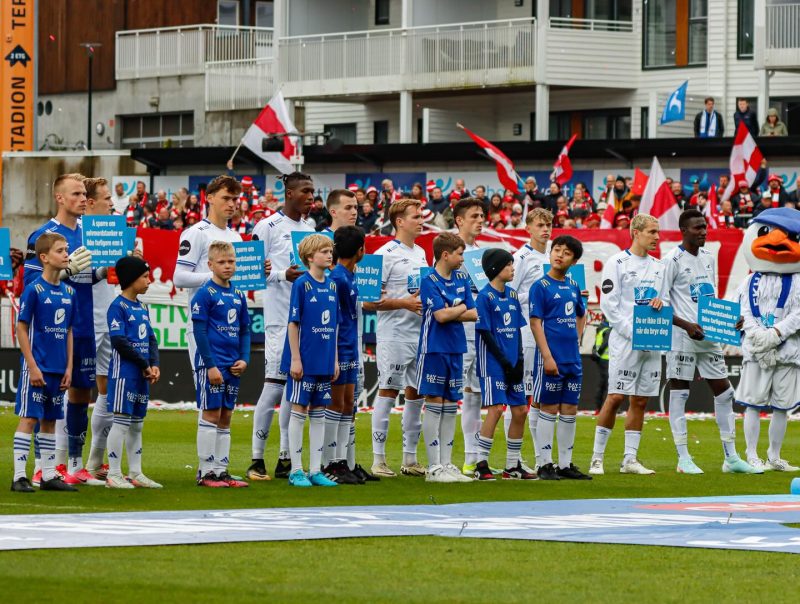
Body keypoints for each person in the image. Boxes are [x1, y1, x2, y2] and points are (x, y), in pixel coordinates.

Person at [661, 210, 759, 474]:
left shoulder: (707, 257)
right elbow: (660, 304)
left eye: (705, 227)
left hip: (708, 337)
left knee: (725, 392)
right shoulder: (671, 260)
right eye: (698, 228)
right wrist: (686, 325)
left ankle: (731, 458)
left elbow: (710, 300)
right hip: (682, 337)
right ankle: (683, 458)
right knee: (680, 394)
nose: (704, 232)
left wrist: (727, 321)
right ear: (683, 230)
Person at [23, 173, 95, 486]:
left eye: (84, 194)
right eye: (76, 194)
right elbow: (30, 286)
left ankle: (76, 466)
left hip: (85, 323)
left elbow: (90, 277)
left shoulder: (91, 234)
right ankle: (43, 467)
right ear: (60, 198)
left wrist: (114, 269)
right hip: (51, 332)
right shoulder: (42, 235)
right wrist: (66, 273)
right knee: (48, 398)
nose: (83, 199)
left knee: (82, 393)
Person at [248, 172, 314, 481]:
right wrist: (280, 276)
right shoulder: (267, 226)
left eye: (313, 191)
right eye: (305, 191)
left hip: (304, 322)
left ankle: (286, 456)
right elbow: (250, 272)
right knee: (273, 387)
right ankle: (256, 458)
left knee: (294, 389)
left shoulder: (310, 229)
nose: (311, 196)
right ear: (289, 193)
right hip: (277, 319)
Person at [590, 214, 666, 476]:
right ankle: (597, 458)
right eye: (652, 232)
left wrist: (661, 304)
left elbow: (664, 300)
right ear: (636, 232)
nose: (657, 237)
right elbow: (609, 306)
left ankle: (629, 460)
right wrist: (632, 332)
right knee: (616, 397)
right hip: (625, 342)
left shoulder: (660, 266)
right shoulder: (617, 262)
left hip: (652, 341)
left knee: (641, 400)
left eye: (657, 232)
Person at [363, 198, 426, 477]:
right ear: (399, 221)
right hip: (394, 335)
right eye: (415, 216)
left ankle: (410, 460)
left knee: (417, 395)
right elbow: (367, 302)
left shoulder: (423, 253)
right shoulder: (383, 254)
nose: (421, 220)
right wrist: (404, 304)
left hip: (420, 334)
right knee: (388, 393)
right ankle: (378, 460)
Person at [11, 233, 77, 492]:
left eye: (66, 250)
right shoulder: (34, 290)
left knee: (50, 421)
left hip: (59, 369)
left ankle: (48, 475)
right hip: (37, 368)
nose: (66, 255)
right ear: (44, 257)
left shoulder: (69, 292)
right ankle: (19, 477)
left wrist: (69, 367)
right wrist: (32, 365)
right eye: (60, 251)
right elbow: (21, 328)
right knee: (29, 418)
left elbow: (69, 331)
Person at [530, 235, 591, 481]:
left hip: (572, 359)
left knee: (570, 409)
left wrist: (577, 340)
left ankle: (565, 465)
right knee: (549, 407)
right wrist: (547, 356)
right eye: (557, 249)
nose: (559, 254)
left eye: (566, 253)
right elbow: (535, 323)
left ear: (573, 261)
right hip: (551, 358)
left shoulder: (574, 286)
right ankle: (545, 464)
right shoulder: (540, 286)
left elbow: (581, 314)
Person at [417, 232, 476, 483]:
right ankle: (433, 467)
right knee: (435, 402)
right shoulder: (429, 280)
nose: (463, 258)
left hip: (456, 346)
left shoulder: (462, 278)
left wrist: (455, 309)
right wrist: (460, 307)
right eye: (460, 254)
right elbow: (440, 317)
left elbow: (474, 313)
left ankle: (447, 464)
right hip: (434, 348)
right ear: (445, 254)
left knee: (451, 403)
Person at [282, 234, 340, 488]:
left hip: (324, 360)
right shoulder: (302, 284)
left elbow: (335, 326)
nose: (329, 255)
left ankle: (316, 469)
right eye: (324, 251)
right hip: (303, 361)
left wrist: (335, 359)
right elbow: (293, 324)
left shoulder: (332, 285)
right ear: (309, 257)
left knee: (319, 413)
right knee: (299, 411)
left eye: (330, 251)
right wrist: (295, 358)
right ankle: (296, 470)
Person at [191, 242, 251, 488]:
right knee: (211, 414)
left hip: (232, 366)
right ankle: (205, 473)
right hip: (212, 366)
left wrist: (245, 358)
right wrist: (211, 365)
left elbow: (245, 329)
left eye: (231, 262)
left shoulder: (238, 295)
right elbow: (200, 332)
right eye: (222, 262)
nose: (228, 266)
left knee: (226, 416)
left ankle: (221, 471)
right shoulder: (205, 294)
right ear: (210, 265)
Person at [473, 249, 535, 481]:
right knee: (497, 409)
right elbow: (486, 334)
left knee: (520, 410)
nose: (512, 268)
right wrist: (503, 361)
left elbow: (518, 330)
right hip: (493, 363)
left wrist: (518, 360)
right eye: (508, 265)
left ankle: (512, 466)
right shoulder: (484, 297)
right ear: (495, 269)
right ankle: (481, 463)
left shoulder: (513, 295)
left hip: (512, 363)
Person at [174, 175, 243, 377]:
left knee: (226, 398)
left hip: (230, 325)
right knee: (208, 393)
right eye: (226, 198)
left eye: (235, 199)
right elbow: (179, 277)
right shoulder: (196, 232)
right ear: (210, 198)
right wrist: (215, 277)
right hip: (203, 324)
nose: (232, 204)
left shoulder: (236, 237)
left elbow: (237, 281)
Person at [104, 255, 161, 489]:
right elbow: (119, 342)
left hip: (141, 374)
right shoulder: (117, 307)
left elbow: (151, 338)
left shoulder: (142, 306)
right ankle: (114, 474)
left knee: (137, 424)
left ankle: (135, 472)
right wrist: (144, 364)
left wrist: (154, 364)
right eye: (145, 277)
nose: (149, 281)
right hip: (124, 375)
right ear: (130, 279)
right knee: (120, 423)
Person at [322, 226, 372, 484]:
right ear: (360, 250)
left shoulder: (350, 276)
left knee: (347, 405)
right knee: (336, 404)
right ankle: (329, 462)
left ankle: (342, 461)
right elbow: (334, 321)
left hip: (350, 347)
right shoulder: (338, 278)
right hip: (339, 348)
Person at [510, 208, 552, 469]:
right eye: (540, 224)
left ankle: (541, 458)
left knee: (540, 396)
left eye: (548, 224)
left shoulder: (552, 255)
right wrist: (537, 296)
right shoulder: (522, 257)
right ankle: (514, 458)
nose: (545, 229)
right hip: (525, 333)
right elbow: (509, 295)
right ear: (528, 227)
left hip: (547, 335)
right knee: (521, 396)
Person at [83, 177, 119, 483]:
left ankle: (96, 460)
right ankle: (59, 463)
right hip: (84, 320)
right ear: (90, 202)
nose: (111, 202)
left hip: (112, 317)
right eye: (106, 198)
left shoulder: (116, 229)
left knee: (108, 387)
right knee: (76, 390)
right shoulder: (77, 232)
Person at [452, 198, 485, 476]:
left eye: (482, 215)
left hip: (481, 332)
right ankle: (441, 458)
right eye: (474, 215)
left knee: (474, 395)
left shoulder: (482, 254)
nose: (480, 219)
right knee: (449, 396)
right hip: (456, 332)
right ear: (459, 220)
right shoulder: (447, 249)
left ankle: (471, 458)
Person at [591, 317, 611, 412]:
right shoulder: (608, 330)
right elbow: (605, 343)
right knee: (609, 384)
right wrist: (598, 352)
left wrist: (596, 353)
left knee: (603, 384)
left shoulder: (600, 329)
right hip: (607, 359)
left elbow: (596, 344)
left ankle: (598, 407)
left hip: (601, 360)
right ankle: (608, 407)